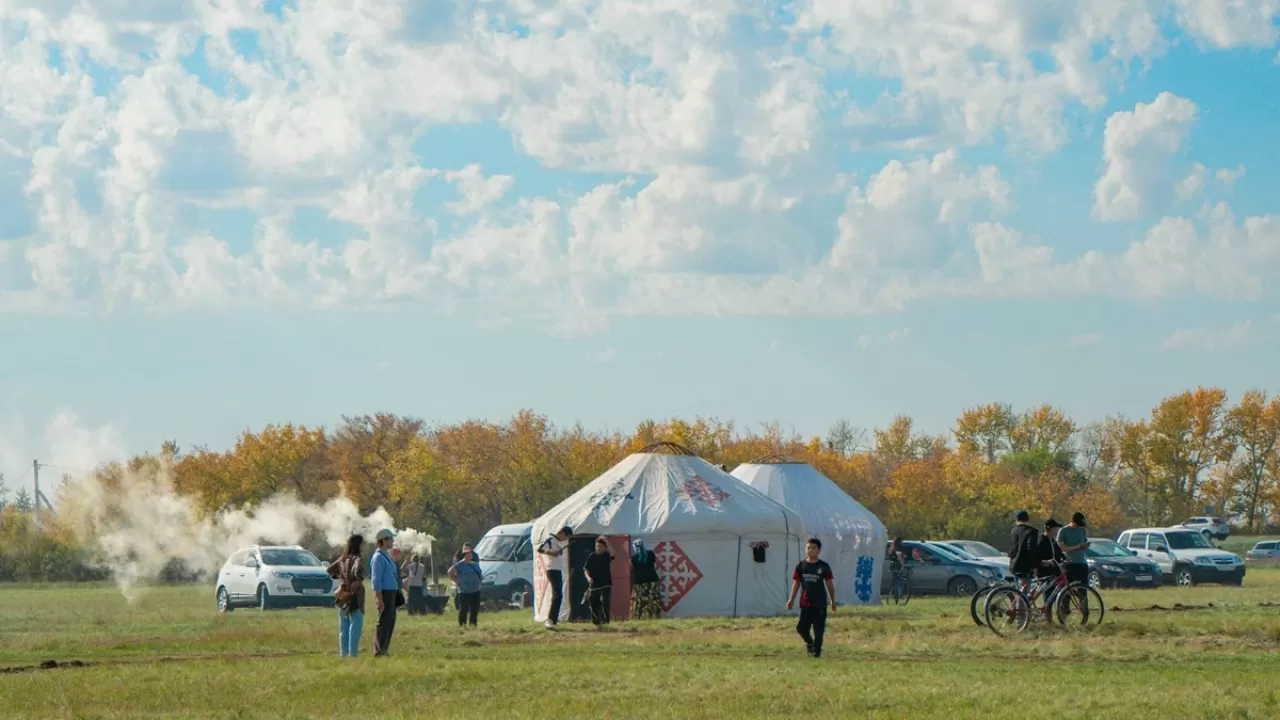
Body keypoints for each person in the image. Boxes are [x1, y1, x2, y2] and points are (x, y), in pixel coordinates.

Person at [786, 538, 837, 659]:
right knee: (801, 628)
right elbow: (797, 583)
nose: (810, 550)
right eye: (808, 548)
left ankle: (816, 654)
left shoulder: (823, 566)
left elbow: (829, 584)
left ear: (819, 550)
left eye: (813, 548)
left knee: (818, 630)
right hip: (805, 603)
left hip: (819, 603)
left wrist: (832, 601)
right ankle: (810, 643)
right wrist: (791, 599)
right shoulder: (801, 566)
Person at [326, 534, 366, 658]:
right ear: (358, 545)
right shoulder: (357, 559)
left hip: (342, 595)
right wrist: (357, 579)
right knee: (355, 627)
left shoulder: (342, 559)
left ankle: (343, 654)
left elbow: (329, 570)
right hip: (355, 597)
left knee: (344, 627)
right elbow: (357, 572)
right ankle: (353, 655)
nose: (364, 546)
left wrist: (342, 579)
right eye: (362, 544)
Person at [370, 528, 400, 657]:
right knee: (384, 622)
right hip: (385, 593)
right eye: (390, 539)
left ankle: (384, 649)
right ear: (383, 540)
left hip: (391, 592)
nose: (392, 541)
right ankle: (379, 650)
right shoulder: (378, 558)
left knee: (390, 621)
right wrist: (379, 599)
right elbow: (376, 580)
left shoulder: (386, 555)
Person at [537, 525, 573, 629]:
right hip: (552, 570)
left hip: (557, 570)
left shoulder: (557, 543)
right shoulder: (550, 539)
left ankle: (554, 620)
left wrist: (558, 552)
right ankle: (550, 620)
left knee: (558, 595)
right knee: (557, 595)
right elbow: (540, 549)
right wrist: (553, 553)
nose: (565, 540)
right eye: (565, 537)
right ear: (562, 533)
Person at [583, 537, 614, 627]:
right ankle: (597, 623)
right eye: (597, 546)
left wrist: (607, 541)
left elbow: (614, 553)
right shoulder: (592, 556)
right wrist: (588, 578)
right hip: (595, 584)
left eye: (600, 546)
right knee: (594, 603)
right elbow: (586, 569)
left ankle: (605, 622)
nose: (598, 548)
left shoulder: (607, 555)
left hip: (606, 584)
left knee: (605, 602)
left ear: (605, 547)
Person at [449, 544, 483, 627]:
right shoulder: (460, 565)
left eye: (470, 553)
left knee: (475, 609)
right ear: (464, 555)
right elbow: (450, 572)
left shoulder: (475, 564)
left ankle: (473, 624)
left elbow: (479, 574)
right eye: (467, 553)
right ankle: (462, 625)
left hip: (476, 590)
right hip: (465, 591)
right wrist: (457, 580)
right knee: (464, 609)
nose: (469, 555)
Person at [1008, 510, 1041, 591]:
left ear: (1017, 519)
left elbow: (1013, 548)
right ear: (1028, 519)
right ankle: (1020, 603)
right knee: (1024, 594)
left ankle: (1017, 602)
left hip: (1014, 565)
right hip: (1025, 567)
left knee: (1018, 591)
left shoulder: (1014, 530)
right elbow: (1031, 549)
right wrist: (1035, 565)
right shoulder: (1032, 531)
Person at [630, 540, 661, 620]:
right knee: (653, 601)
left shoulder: (634, 558)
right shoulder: (650, 554)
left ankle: (639, 618)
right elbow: (654, 563)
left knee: (640, 602)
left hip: (640, 583)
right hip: (652, 582)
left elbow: (631, 568)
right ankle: (654, 617)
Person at [1057, 512, 1091, 587]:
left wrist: (1085, 546)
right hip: (1069, 564)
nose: (1078, 526)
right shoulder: (1063, 530)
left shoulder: (1082, 530)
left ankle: (1083, 598)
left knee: (1083, 588)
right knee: (1067, 589)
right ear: (1072, 521)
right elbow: (1061, 547)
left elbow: (1085, 542)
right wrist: (1076, 547)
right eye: (1077, 524)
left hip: (1082, 562)